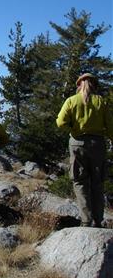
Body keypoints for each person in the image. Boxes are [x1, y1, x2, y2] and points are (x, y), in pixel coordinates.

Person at [56, 73, 112, 228]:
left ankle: (86, 220)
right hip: (97, 144)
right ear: (94, 85)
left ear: (79, 84)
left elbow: (60, 122)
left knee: (80, 182)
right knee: (97, 183)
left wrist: (72, 130)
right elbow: (111, 127)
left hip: (77, 143)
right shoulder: (101, 101)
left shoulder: (71, 101)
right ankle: (98, 220)